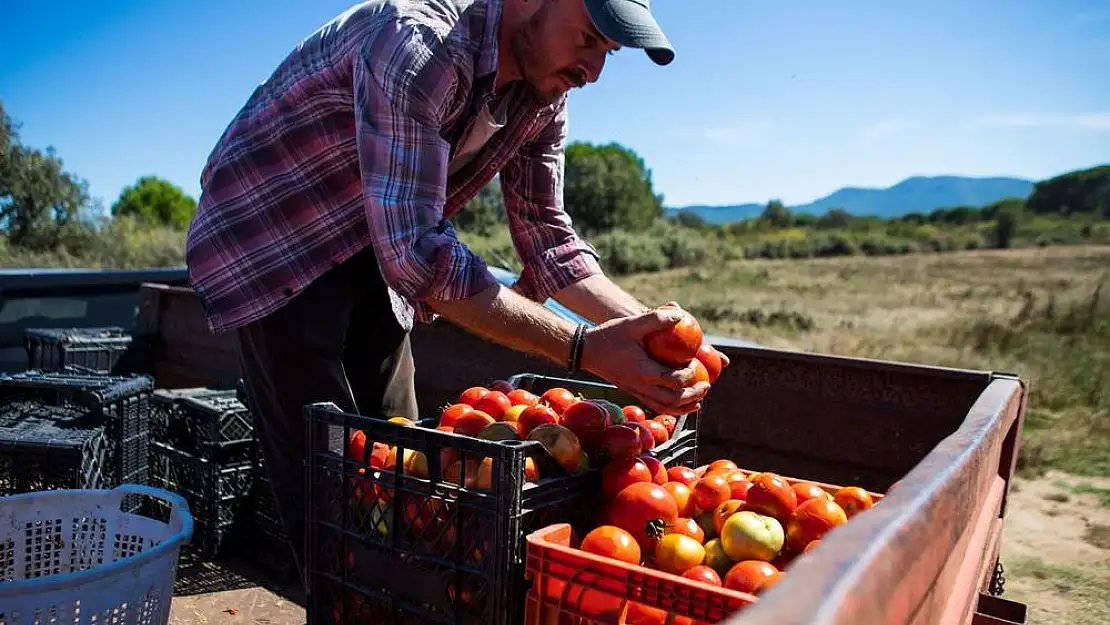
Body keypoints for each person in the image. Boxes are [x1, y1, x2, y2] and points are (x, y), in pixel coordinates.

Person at [185, 0, 726, 583]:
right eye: (591, 38)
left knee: (407, 464)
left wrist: (653, 329)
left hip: (375, 238)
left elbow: (546, 239)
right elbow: (417, 254)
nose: (593, 72)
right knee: (331, 478)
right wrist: (583, 349)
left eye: (609, 53)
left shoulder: (543, 92)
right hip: (271, 233)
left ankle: (399, 598)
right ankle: (347, 594)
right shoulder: (419, 43)